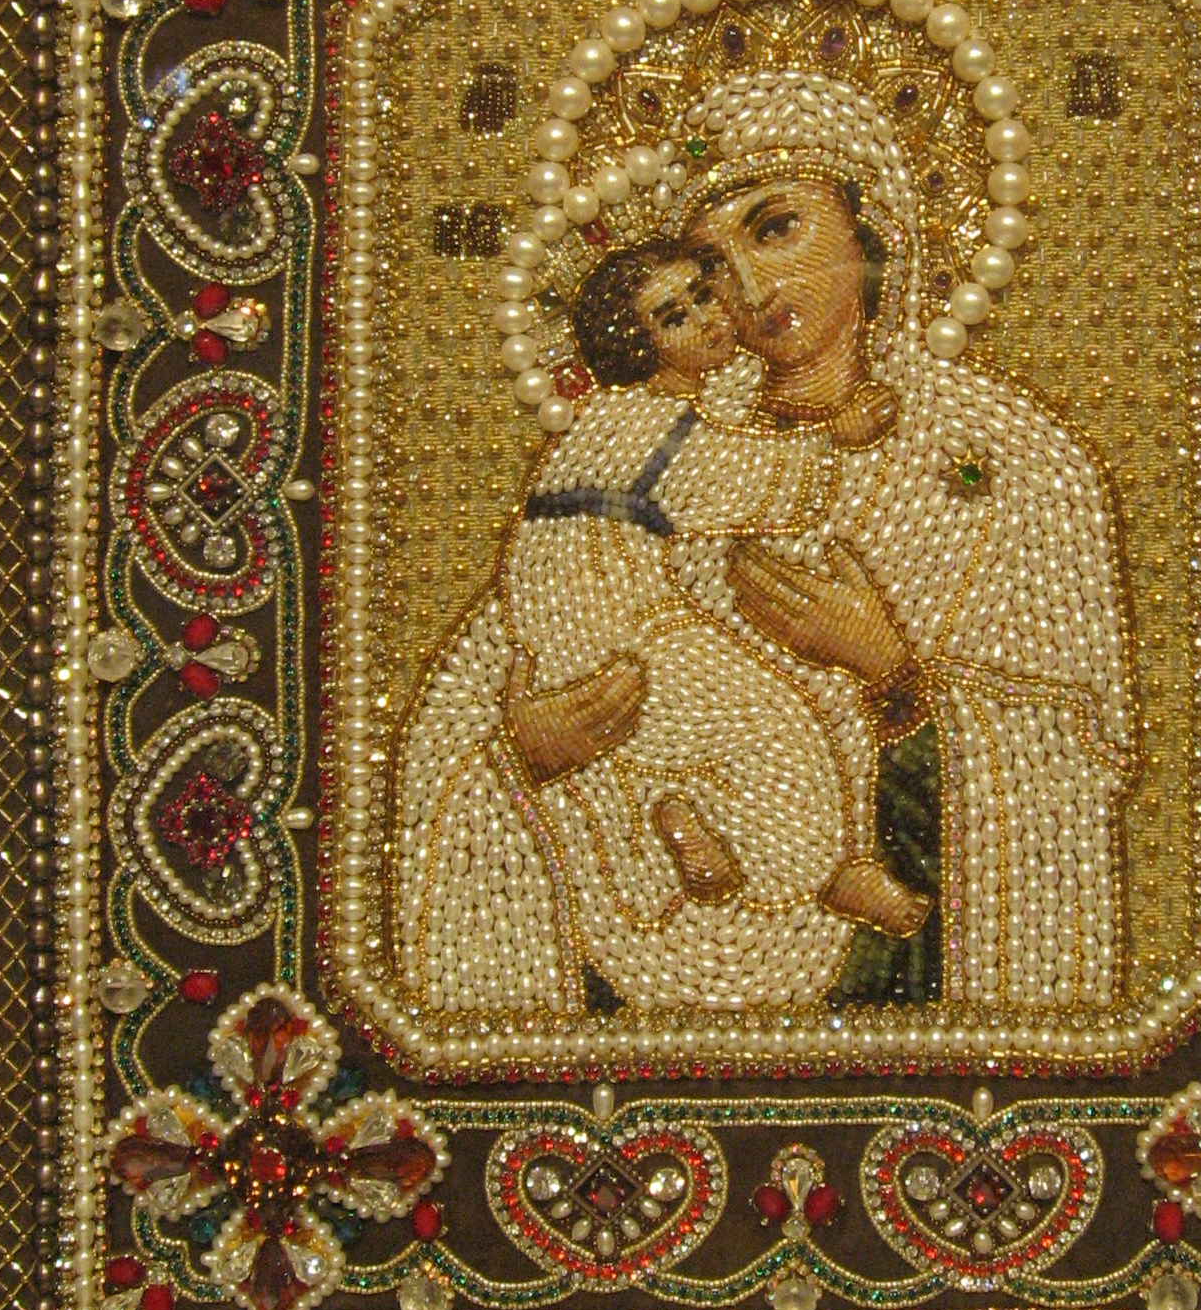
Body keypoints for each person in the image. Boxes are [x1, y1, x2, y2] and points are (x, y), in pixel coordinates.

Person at [385, 67, 1138, 1029]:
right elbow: (469, 714)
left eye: (774, 228)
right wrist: (527, 753)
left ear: (874, 233)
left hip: (901, 996)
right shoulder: (650, 440)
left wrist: (893, 674)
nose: (740, 287)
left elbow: (1071, 769)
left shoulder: (1013, 464)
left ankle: (819, 867)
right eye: (705, 267)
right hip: (624, 989)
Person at [495, 235, 928, 1009]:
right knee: (776, 727)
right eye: (674, 316)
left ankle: (681, 817)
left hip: (583, 615)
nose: (707, 317)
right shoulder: (651, 423)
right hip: (617, 617)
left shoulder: (625, 419)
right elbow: (740, 479)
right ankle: (828, 872)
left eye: (702, 294)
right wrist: (835, 436)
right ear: (637, 345)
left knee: (718, 733)